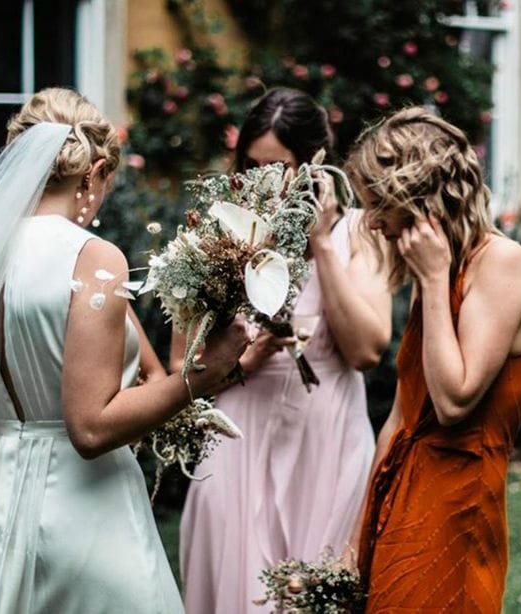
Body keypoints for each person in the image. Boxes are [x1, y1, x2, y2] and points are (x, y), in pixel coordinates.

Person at [0, 88, 248, 613]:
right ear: (94, 170)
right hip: (80, 512)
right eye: (105, 182)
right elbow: (91, 426)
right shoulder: (92, 258)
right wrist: (203, 375)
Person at [175, 88, 393, 613]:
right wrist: (243, 359)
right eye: (252, 168)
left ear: (317, 165)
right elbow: (179, 371)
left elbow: (366, 350)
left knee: (313, 594)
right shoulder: (218, 236)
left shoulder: (358, 233)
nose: (264, 184)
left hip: (327, 436)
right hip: (238, 432)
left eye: (280, 168)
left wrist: (321, 243)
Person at [346, 107, 521, 612]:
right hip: (401, 493)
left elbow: (455, 401)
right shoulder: (435, 270)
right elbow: (398, 417)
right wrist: (356, 539)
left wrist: (435, 283)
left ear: (417, 198)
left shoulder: (501, 264)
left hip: (457, 505)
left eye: (379, 205)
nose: (371, 221)